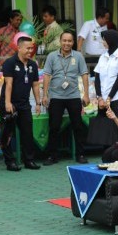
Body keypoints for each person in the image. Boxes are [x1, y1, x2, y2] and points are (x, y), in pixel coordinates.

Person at [42, 32, 90, 165]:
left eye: (69, 41)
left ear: (73, 42)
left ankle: (80, 154)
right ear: (60, 41)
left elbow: (85, 75)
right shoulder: (52, 56)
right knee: (54, 126)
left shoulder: (78, 56)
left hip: (74, 96)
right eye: (64, 41)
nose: (66, 43)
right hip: (56, 96)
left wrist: (86, 94)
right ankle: (52, 156)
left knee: (78, 126)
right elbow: (46, 75)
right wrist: (45, 95)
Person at [0, 36, 41, 171]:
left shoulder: (33, 65)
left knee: (27, 133)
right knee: (7, 134)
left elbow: (35, 85)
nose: (30, 51)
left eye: (32, 48)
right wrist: (8, 103)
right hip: (9, 104)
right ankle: (10, 162)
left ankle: (29, 160)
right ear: (19, 48)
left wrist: (38, 103)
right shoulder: (10, 63)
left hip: (24, 104)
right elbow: (8, 84)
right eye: (27, 48)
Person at [89, 30, 118, 146]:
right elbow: (97, 76)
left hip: (116, 97)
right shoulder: (103, 56)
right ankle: (105, 153)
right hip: (103, 98)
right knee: (103, 127)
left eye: (104, 39)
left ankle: (117, 153)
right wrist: (99, 97)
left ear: (111, 41)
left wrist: (110, 97)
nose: (103, 42)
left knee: (116, 126)